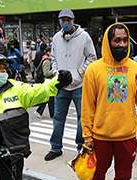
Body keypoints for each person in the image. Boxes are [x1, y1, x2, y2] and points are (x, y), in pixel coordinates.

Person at [0, 51, 72, 180]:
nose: (3, 71)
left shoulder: (15, 89)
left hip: (8, 153)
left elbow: (37, 91)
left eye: (4, 68)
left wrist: (57, 82)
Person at [82, 23, 137, 180]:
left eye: (125, 40)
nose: (122, 44)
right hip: (100, 137)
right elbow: (87, 106)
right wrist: (87, 136)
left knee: (123, 178)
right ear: (108, 42)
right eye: (117, 40)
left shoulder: (136, 68)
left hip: (127, 136)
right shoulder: (93, 69)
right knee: (97, 177)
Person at [45, 8, 97, 161]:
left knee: (83, 118)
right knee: (58, 117)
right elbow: (52, 58)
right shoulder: (56, 38)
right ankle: (56, 147)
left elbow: (92, 57)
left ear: (73, 21)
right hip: (62, 85)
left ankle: (81, 146)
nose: (65, 23)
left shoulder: (84, 37)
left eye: (68, 20)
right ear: (59, 21)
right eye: (63, 20)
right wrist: (56, 73)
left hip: (80, 85)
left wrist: (80, 72)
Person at [34, 47, 55, 119]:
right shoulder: (47, 61)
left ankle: (39, 111)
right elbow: (46, 73)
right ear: (48, 53)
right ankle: (52, 114)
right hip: (47, 82)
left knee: (48, 98)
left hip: (49, 82)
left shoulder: (49, 60)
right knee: (50, 98)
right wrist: (54, 71)